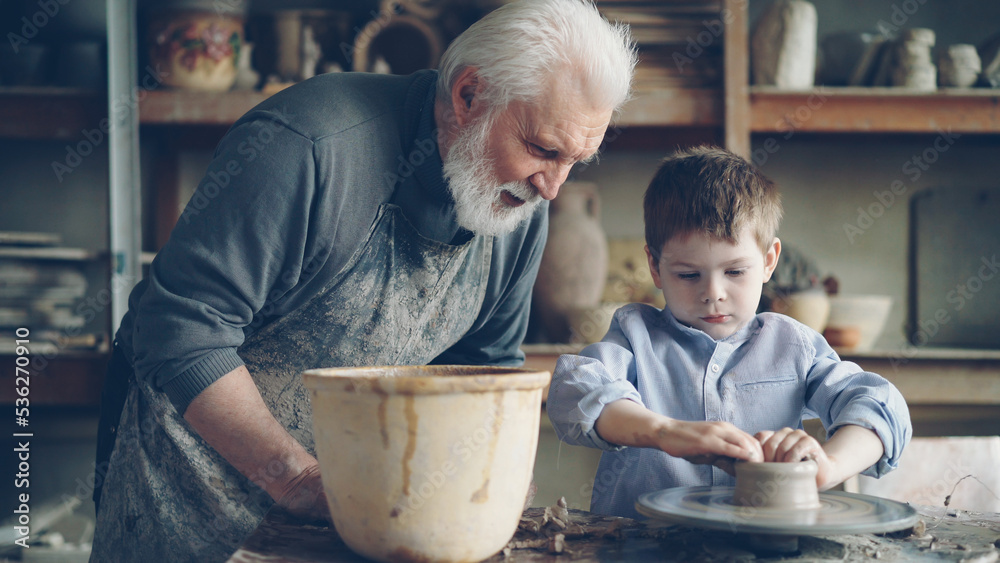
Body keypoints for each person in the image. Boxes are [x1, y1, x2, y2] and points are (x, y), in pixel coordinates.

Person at [89, 1, 637, 560]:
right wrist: (300, 481)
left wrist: (485, 481)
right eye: (543, 149)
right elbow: (181, 331)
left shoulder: (522, 203)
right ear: (469, 96)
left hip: (355, 515)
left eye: (576, 161)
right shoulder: (305, 147)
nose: (552, 188)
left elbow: (483, 367)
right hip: (190, 507)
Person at [546, 146, 911, 520]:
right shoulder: (634, 335)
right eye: (688, 275)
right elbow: (576, 391)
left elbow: (880, 405)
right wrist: (664, 432)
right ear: (654, 267)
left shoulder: (793, 344)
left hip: (759, 546)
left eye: (735, 272)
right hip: (641, 546)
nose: (713, 294)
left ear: (769, 261)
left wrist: (828, 464)